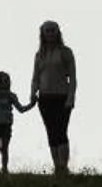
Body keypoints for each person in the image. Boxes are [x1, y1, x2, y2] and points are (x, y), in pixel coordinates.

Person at [29, 20, 77, 175]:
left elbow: (73, 78)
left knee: (61, 131)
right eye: (47, 30)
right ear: (42, 33)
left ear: (58, 32)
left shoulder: (66, 52)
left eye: (53, 30)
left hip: (62, 97)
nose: (50, 33)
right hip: (44, 98)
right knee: (51, 132)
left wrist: (71, 97)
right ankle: (57, 166)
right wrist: (32, 93)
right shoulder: (40, 55)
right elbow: (35, 77)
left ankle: (64, 166)